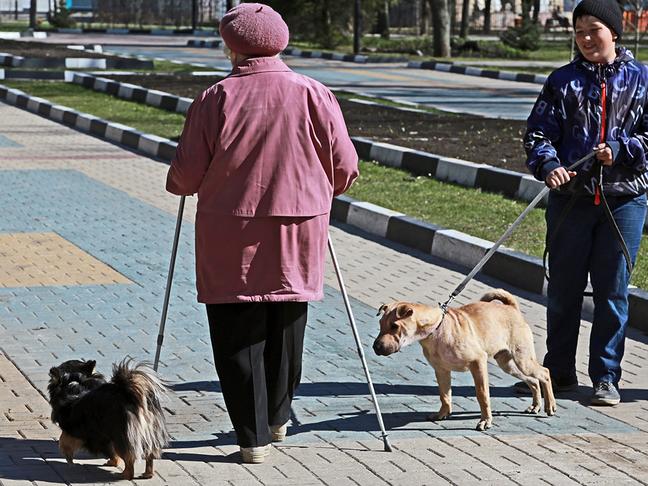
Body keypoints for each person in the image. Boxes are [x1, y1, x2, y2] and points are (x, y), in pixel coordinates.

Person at [165, 3, 358, 463]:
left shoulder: (215, 98)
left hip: (231, 236)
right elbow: (345, 167)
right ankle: (278, 418)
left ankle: (251, 440)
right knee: (286, 326)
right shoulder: (315, 93)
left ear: (232, 46)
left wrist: (179, 181)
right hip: (299, 230)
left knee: (237, 333)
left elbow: (185, 178)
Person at [521, 0, 648, 406]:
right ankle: (557, 372)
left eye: (594, 29)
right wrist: (549, 166)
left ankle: (606, 377)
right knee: (563, 290)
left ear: (615, 31)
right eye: (579, 31)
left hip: (624, 200)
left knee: (612, 292)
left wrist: (621, 148)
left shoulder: (642, 79)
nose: (587, 38)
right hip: (570, 201)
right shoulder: (562, 80)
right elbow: (537, 134)